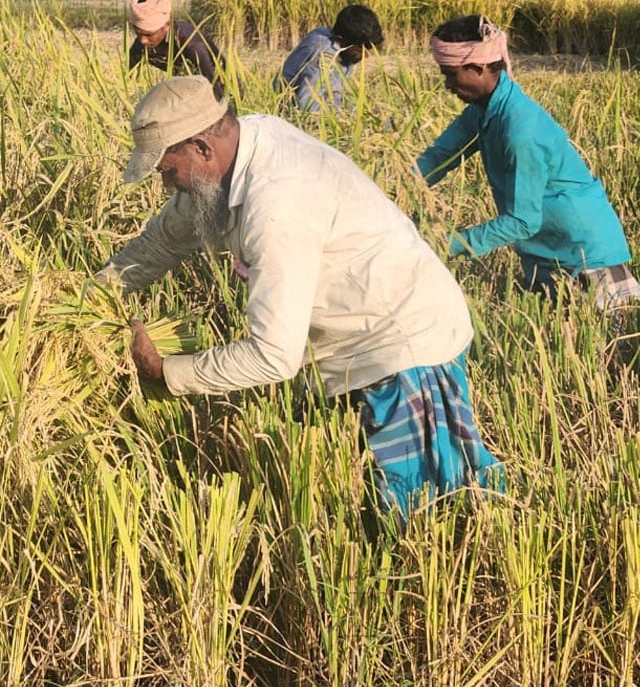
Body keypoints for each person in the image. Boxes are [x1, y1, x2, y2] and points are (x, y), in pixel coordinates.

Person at [98, 76, 504, 525]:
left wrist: (167, 371)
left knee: (427, 516)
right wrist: (90, 298)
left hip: (400, 346)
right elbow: (160, 243)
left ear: (201, 147)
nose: (167, 186)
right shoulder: (235, 148)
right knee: (362, 499)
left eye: (167, 171)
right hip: (351, 343)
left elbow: (274, 355)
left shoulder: (277, 203)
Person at [417, 14, 638, 309]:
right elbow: (439, 157)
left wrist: (446, 243)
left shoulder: (521, 129)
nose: (447, 85)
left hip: (585, 256)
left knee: (608, 349)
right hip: (546, 255)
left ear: (479, 68)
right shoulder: (481, 112)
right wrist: (393, 189)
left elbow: (522, 221)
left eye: (450, 74)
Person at [276, 4, 384, 113]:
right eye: (361, 49)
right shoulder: (323, 54)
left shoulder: (340, 46)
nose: (365, 56)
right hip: (291, 112)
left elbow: (336, 93)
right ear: (343, 40)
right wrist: (345, 116)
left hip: (328, 104)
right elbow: (306, 104)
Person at [128, 0, 229, 98]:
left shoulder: (192, 45)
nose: (142, 40)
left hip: (222, 90)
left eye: (149, 34)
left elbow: (214, 85)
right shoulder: (141, 46)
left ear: (167, 25)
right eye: (138, 33)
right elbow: (129, 77)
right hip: (186, 90)